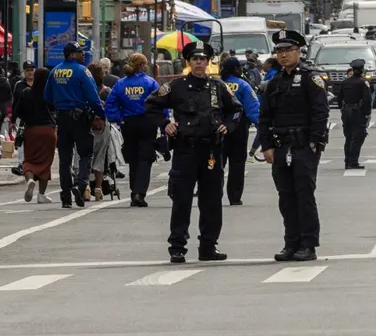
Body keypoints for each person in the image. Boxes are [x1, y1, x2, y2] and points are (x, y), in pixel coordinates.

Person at [145, 42, 237, 263]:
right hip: (186, 150)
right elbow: (151, 105)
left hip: (211, 151)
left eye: (202, 59)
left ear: (208, 62)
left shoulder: (218, 87)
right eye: (195, 59)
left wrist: (228, 125)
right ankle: (177, 247)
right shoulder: (175, 86)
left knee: (212, 201)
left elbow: (236, 110)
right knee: (182, 200)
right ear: (189, 62)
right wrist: (165, 123)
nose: (199, 63)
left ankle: (208, 246)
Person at [259, 30, 330, 261]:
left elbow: (321, 112)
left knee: (304, 195)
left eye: (288, 50)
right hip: (281, 146)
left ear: (299, 51)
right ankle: (291, 243)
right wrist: (266, 146)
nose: (284, 55)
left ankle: (308, 244)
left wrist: (315, 142)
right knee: (285, 197)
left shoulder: (311, 79)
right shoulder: (273, 82)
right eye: (280, 51)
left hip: (304, 146)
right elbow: (264, 117)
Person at [44, 42, 105, 208]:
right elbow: (93, 97)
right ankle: (79, 185)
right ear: (71, 54)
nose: (83, 55)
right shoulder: (82, 71)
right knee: (86, 154)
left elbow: (47, 97)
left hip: (61, 119)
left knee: (65, 159)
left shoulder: (55, 71)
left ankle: (65, 198)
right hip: (80, 118)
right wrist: (101, 113)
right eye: (80, 52)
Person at [105, 53, 162, 207]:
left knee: (134, 159)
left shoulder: (120, 84)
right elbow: (160, 102)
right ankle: (139, 192)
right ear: (143, 65)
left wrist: (118, 118)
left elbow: (110, 103)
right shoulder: (150, 83)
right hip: (147, 123)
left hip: (128, 124)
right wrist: (163, 122)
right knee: (146, 158)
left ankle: (133, 192)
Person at [218, 56, 261, 205]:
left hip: (218, 128)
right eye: (239, 67)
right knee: (237, 163)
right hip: (239, 128)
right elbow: (253, 108)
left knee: (217, 163)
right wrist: (262, 126)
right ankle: (234, 197)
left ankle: (214, 194)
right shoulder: (243, 85)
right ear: (236, 69)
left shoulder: (217, 83)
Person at [14, 66, 57, 203]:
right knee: (45, 162)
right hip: (48, 131)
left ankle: (30, 180)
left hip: (31, 130)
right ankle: (42, 194)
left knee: (30, 160)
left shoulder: (26, 92)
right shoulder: (50, 94)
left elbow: (18, 111)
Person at [337, 59, 373, 170]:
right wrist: (366, 113)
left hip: (346, 110)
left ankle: (347, 160)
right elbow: (367, 99)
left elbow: (339, 98)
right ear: (362, 70)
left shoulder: (346, 82)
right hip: (357, 111)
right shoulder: (363, 82)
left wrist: (342, 109)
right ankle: (353, 161)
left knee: (348, 136)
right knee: (358, 136)